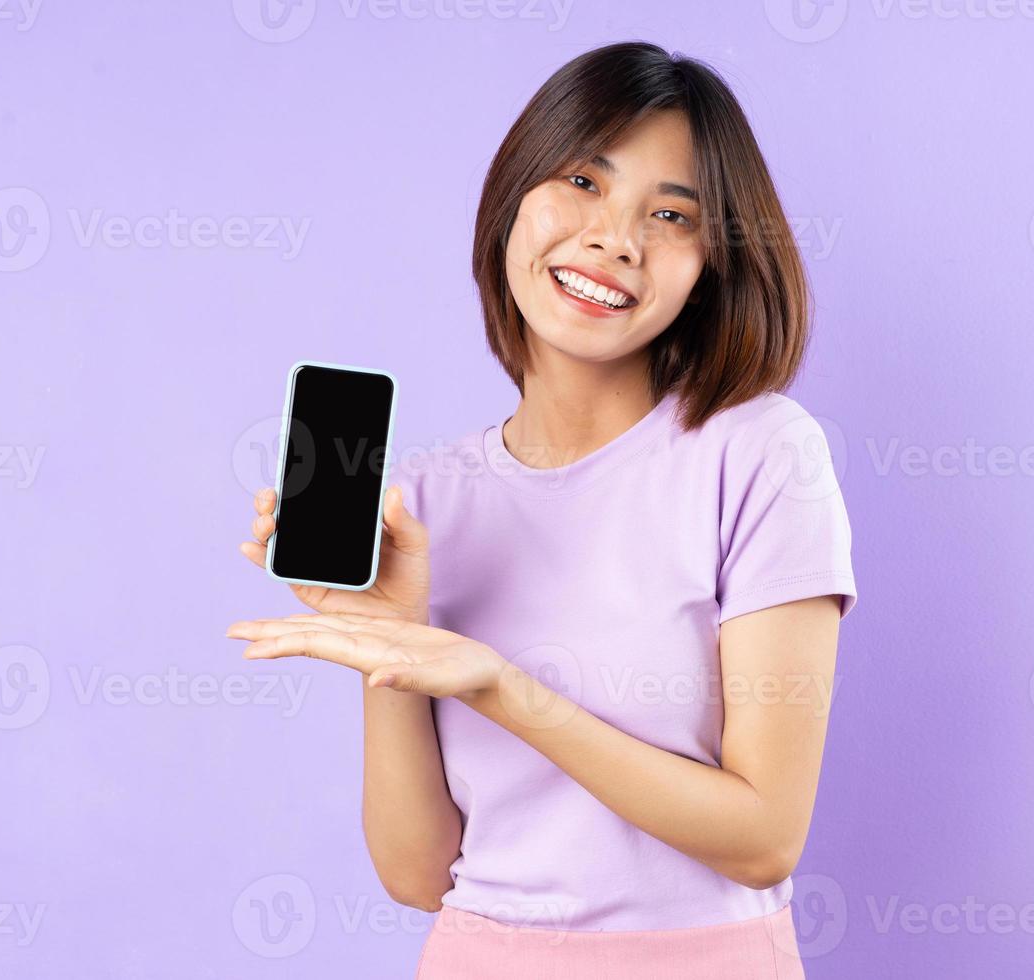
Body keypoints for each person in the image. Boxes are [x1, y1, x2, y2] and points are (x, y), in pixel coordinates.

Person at [230, 41, 858, 979]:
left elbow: (764, 836)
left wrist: (498, 687)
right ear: (513, 197)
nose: (616, 238)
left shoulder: (761, 454)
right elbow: (416, 874)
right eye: (582, 181)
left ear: (710, 267)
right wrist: (391, 652)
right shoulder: (430, 501)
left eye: (672, 214)